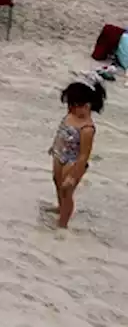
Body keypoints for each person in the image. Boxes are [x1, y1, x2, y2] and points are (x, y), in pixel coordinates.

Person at [49, 81, 104, 229]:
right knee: (57, 182)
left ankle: (63, 224)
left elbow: (83, 156)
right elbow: (62, 133)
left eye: (73, 106)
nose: (70, 109)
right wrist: (54, 148)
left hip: (73, 162)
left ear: (86, 106)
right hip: (59, 154)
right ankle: (61, 208)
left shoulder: (87, 128)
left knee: (67, 191)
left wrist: (74, 175)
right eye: (69, 106)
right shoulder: (71, 115)